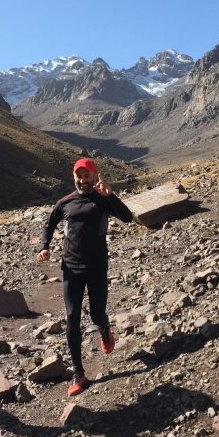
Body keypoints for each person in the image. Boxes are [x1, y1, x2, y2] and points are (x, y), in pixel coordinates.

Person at [36, 158, 133, 396]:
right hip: (71, 268)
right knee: (72, 318)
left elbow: (128, 217)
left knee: (97, 313)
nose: (82, 180)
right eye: (78, 176)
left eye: (86, 175)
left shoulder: (102, 200)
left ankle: (105, 330)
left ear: (94, 175)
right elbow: (49, 225)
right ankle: (78, 374)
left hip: (97, 266)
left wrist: (111, 196)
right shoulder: (65, 202)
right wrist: (44, 246)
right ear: (74, 177)